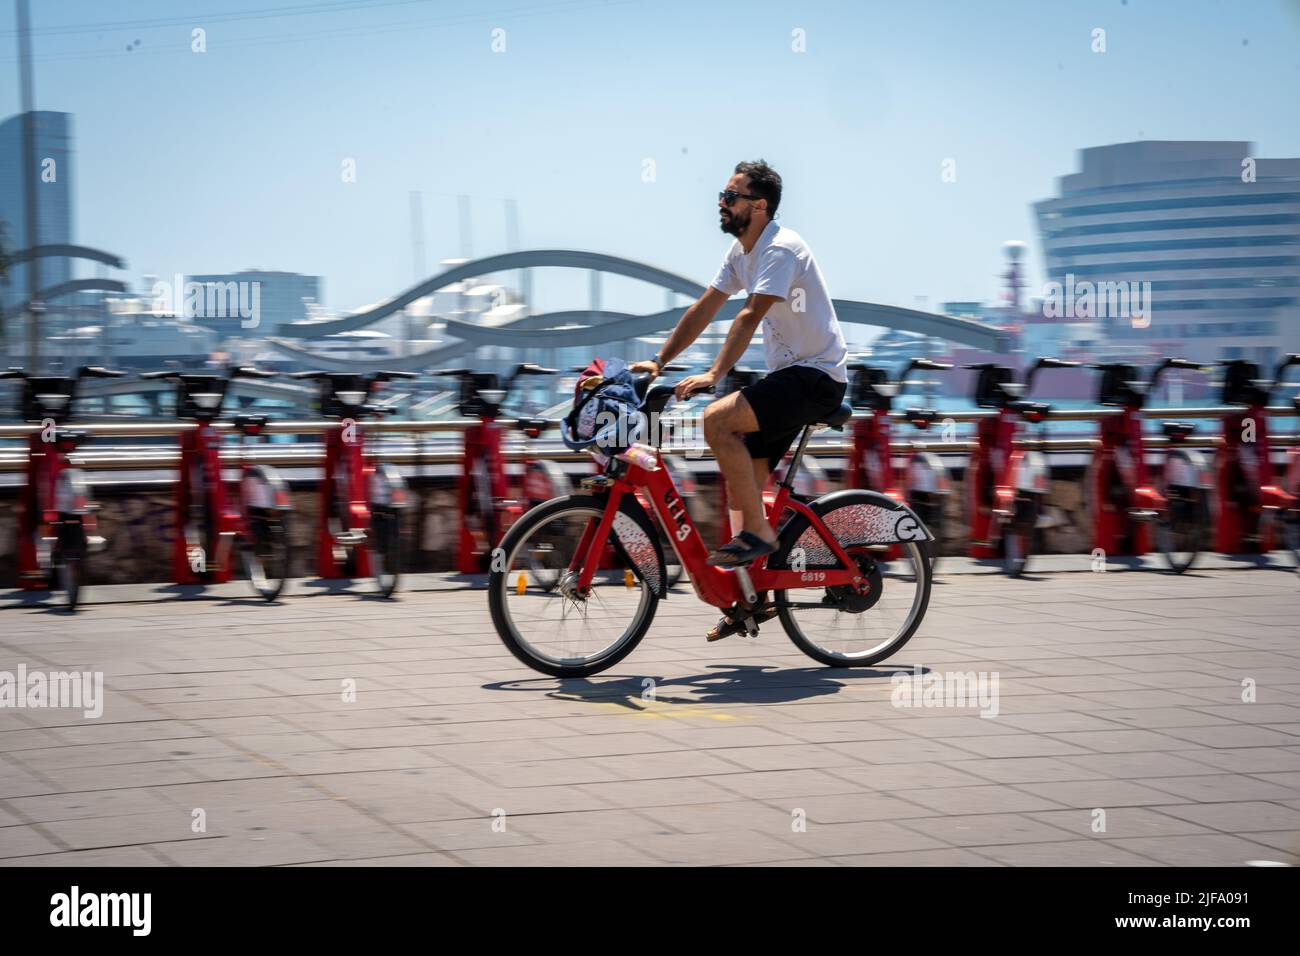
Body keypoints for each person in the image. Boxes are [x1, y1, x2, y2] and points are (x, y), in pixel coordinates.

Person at [631, 159, 848, 640]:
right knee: (742, 484)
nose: (721, 203)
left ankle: (760, 536)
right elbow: (704, 308)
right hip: (789, 377)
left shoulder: (780, 248)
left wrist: (714, 373)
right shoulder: (740, 251)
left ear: (758, 205)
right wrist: (660, 363)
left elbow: (748, 315)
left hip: (815, 377)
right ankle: (751, 596)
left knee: (717, 421)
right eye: (723, 195)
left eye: (730, 196)